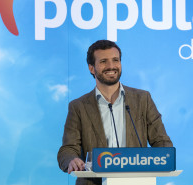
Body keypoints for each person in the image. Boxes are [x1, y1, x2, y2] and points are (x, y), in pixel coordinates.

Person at [57, 40, 173, 185]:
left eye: (115, 60)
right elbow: (67, 149)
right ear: (92, 68)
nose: (111, 66)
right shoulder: (78, 106)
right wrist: (71, 160)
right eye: (104, 61)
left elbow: (162, 142)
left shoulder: (143, 99)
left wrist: (164, 157)